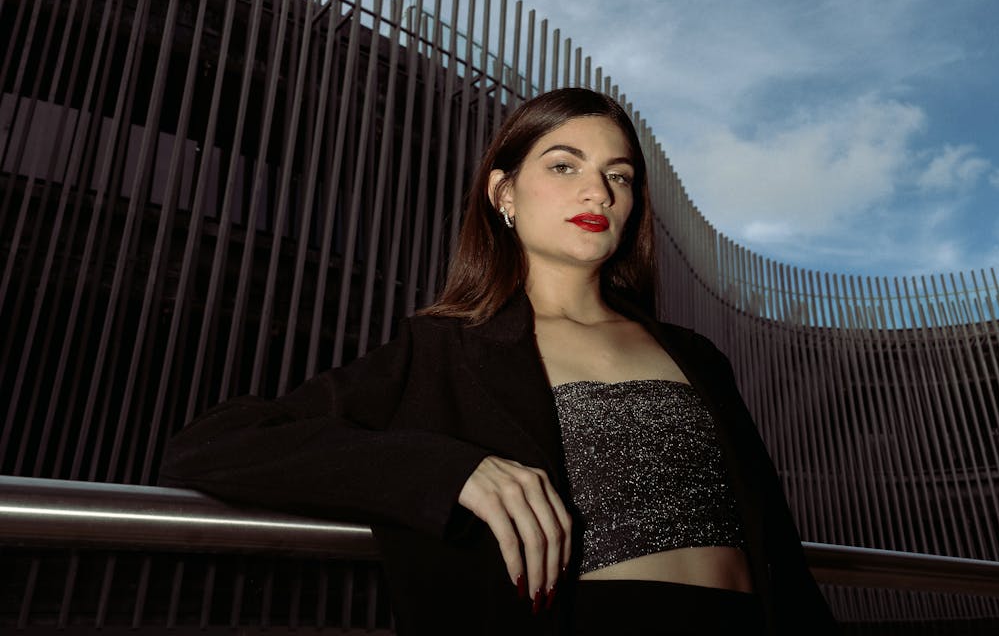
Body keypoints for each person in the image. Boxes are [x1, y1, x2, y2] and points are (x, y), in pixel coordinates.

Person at [161, 87, 838, 635]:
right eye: (564, 166)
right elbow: (214, 446)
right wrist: (451, 470)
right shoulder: (444, 348)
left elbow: (776, 542)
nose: (597, 194)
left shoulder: (696, 356)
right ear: (504, 194)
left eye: (618, 177)